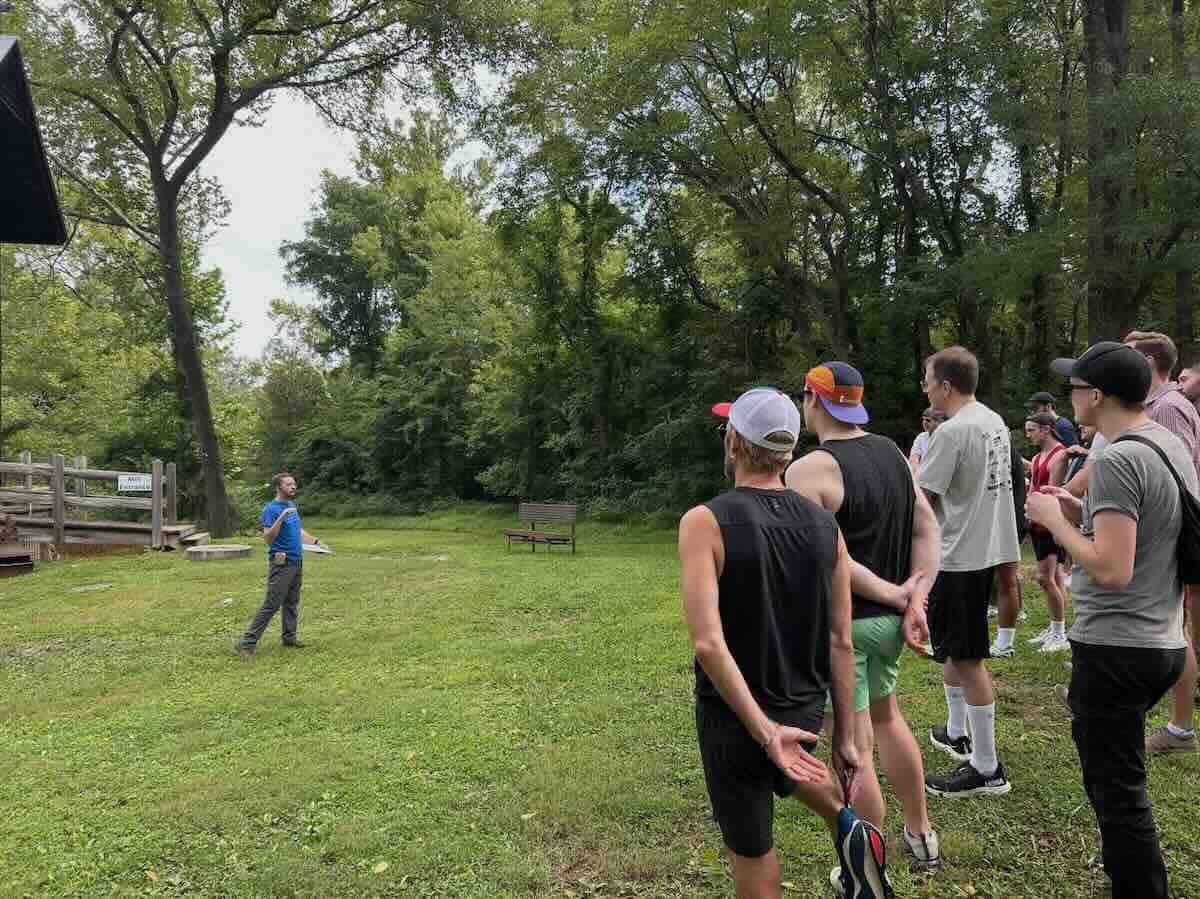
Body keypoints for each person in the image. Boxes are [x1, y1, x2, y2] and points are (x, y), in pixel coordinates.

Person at [682, 387, 893, 899]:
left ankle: (849, 828)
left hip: (736, 718)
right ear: (789, 452)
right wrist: (846, 731)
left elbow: (710, 645)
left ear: (733, 442)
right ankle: (852, 831)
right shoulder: (826, 528)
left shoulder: (704, 522)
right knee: (796, 772)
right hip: (803, 707)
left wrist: (764, 730)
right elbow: (841, 639)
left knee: (753, 852)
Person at [1026, 340, 1193, 899]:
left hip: (1119, 647)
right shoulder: (1162, 441)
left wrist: (1055, 518)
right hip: (1161, 637)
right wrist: (1081, 510)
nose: (1069, 396)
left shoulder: (1119, 457)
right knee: (1118, 785)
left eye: (1074, 387)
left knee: (1118, 792)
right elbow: (1150, 526)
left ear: (1095, 396)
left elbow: (1112, 569)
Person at [784, 362, 942, 869]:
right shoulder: (894, 453)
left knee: (856, 746)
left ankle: (868, 861)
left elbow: (832, 559)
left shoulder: (810, 469)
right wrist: (918, 591)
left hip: (844, 628)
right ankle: (921, 833)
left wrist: (901, 595)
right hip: (890, 626)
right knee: (890, 718)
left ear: (813, 399)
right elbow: (926, 526)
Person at [919, 346, 1019, 798]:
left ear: (945, 385)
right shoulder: (992, 420)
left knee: (968, 658)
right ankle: (958, 732)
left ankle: (987, 767)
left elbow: (925, 500)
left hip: (957, 555)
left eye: (927, 378)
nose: (923, 385)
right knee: (957, 650)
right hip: (985, 548)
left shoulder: (952, 431)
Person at [1123, 331, 1199, 753]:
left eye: (1129, 357)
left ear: (1149, 363)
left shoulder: (1167, 408)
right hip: (1170, 531)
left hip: (1174, 533)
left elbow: (1176, 477)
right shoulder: (1161, 405)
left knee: (1173, 628)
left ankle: (1180, 728)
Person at [236, 473, 321, 657]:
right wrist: (281, 517)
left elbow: (297, 530)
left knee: (292, 601)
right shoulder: (271, 509)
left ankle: (289, 638)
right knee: (272, 604)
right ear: (278, 487)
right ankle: (246, 643)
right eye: (288, 484)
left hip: (296, 560)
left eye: (294, 484)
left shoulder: (291, 505)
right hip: (281, 563)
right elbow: (267, 538)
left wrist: (315, 541)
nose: (293, 487)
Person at [1022, 412, 1071, 654]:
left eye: (1031, 430)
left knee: (1045, 578)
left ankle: (1060, 633)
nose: (1027, 435)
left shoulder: (1059, 454)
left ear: (1046, 430)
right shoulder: (1038, 455)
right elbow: (1033, 487)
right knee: (1056, 578)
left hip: (1049, 525)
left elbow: (1052, 493)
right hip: (1038, 523)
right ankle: (1056, 628)